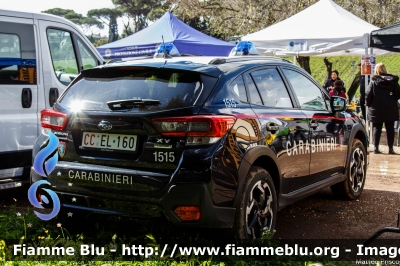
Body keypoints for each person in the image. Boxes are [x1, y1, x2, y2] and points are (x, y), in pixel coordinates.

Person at [366, 63, 400, 154]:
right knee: (390, 127)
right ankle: (390, 148)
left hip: (376, 108)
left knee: (376, 127)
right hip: (390, 108)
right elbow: (398, 93)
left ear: (376, 70)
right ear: (385, 69)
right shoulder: (393, 81)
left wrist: (368, 104)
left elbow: (368, 94)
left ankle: (376, 148)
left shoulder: (373, 81)